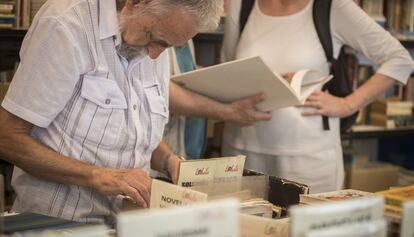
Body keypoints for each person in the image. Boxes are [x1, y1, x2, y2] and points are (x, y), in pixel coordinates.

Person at [0, 0, 270, 224]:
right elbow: (7, 137)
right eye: (155, 39)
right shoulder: (65, 25)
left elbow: (130, 124)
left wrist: (168, 161)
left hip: (129, 221)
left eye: (167, 47)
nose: (155, 55)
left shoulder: (156, 35)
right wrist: (97, 175)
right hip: (56, 223)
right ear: (134, 2)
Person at [219, 0, 414, 193]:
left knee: (304, 223)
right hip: (241, 151)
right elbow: (227, 70)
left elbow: (399, 59)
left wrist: (348, 104)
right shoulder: (242, 4)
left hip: (309, 159)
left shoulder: (332, 6)